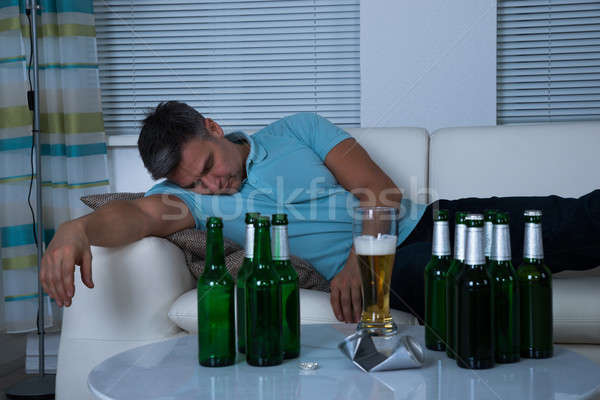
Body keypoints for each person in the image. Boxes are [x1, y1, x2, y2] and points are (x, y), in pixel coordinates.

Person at [40, 101, 600, 322]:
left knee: (573, 222)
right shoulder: (191, 200)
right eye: (196, 182)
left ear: (212, 127)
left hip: (430, 223)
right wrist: (76, 228)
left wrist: (361, 256)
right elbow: (133, 218)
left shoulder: (298, 130)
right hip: (398, 272)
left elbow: (379, 191)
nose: (214, 183)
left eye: (209, 164)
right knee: (429, 280)